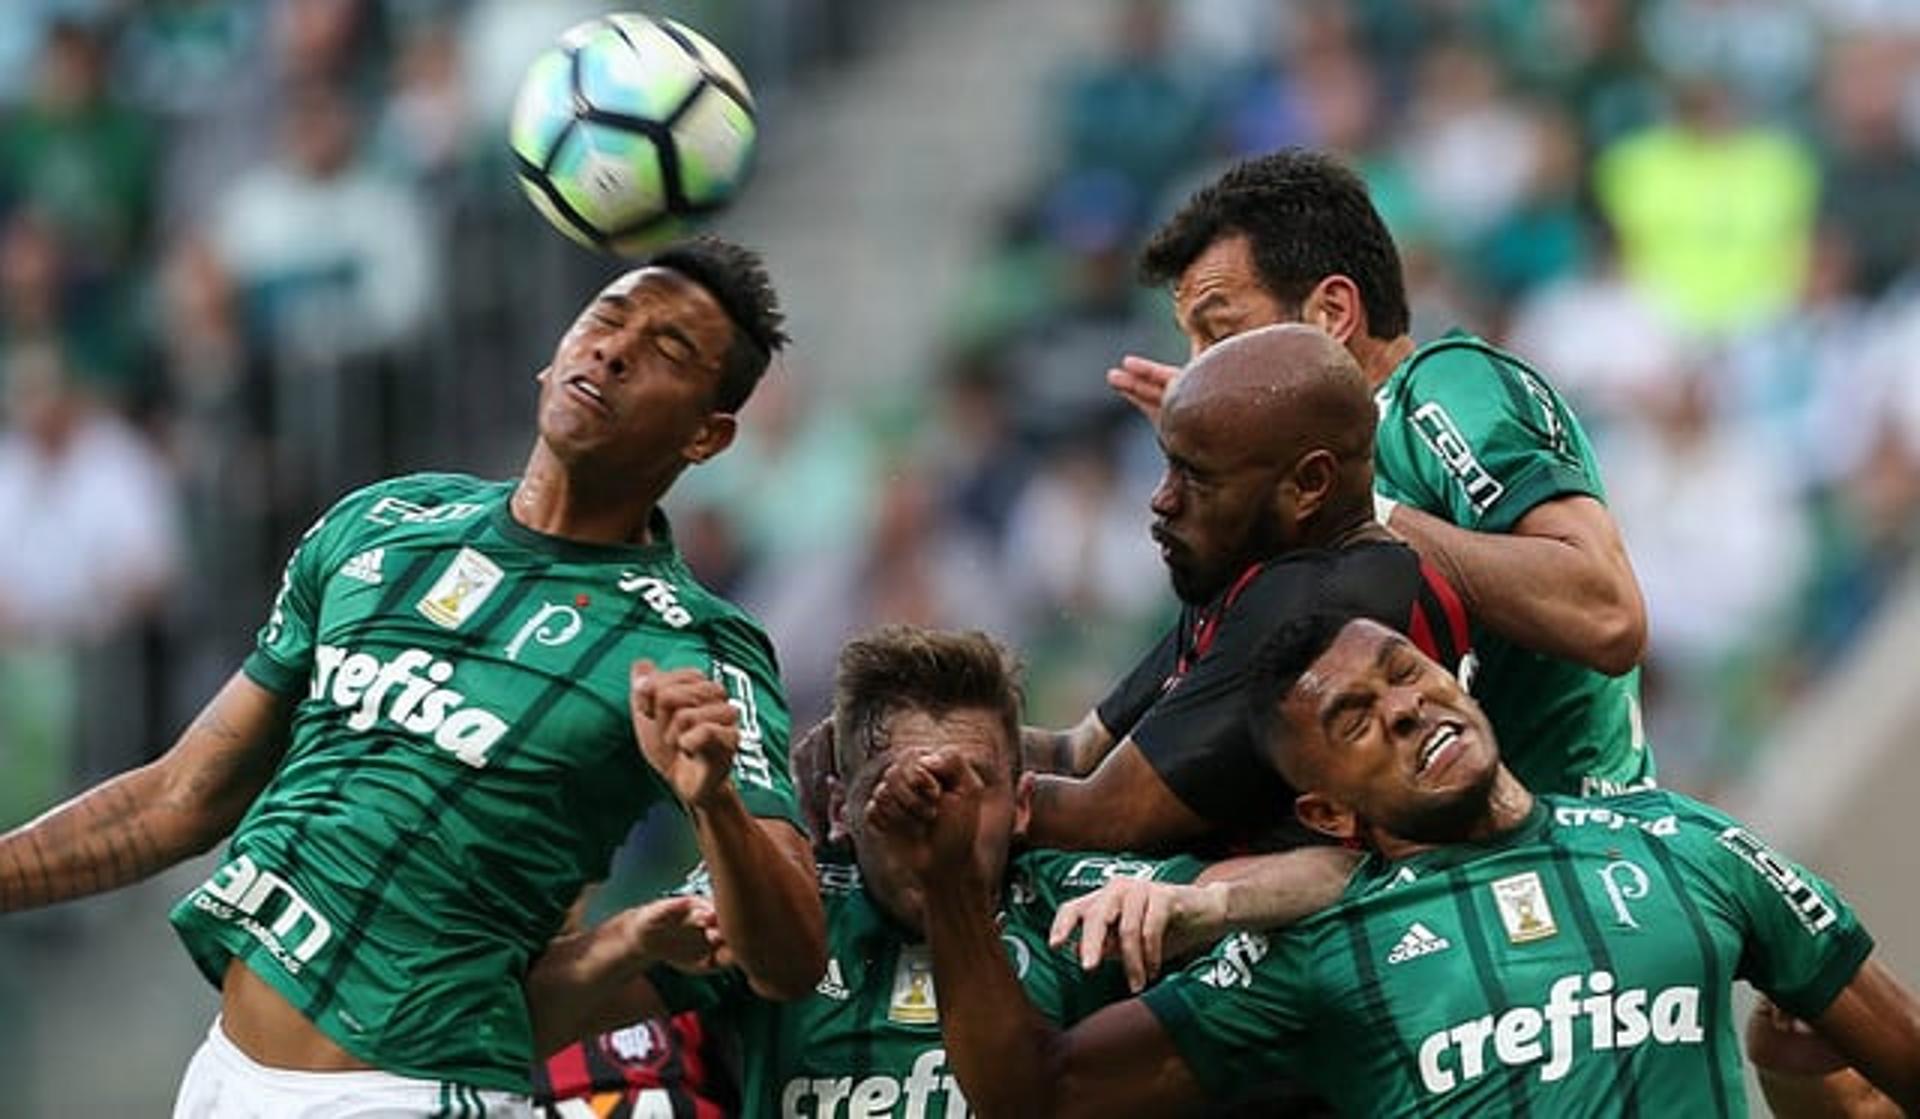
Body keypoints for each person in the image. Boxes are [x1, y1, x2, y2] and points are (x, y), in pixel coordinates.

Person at [0, 236, 827, 1115]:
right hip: (221, 1076)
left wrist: (714, 803)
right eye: (605, 319)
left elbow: (790, 956)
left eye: (665, 352)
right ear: (554, 355)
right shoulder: (384, 524)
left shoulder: (697, 642)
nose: (614, 350)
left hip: (413, 1087)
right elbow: (181, 797)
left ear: (708, 434)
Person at [873, 614, 1920, 1116]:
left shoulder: (1682, 842)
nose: (1407, 706)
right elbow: (1033, 1098)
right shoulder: (1315, 953)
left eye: (1404, 673)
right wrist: (961, 899)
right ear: (1325, 809)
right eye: (1356, 720)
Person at [546, 624, 1351, 1118]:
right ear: (836, 808)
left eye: (972, 783)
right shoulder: (785, 911)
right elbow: (526, 1019)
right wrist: (625, 936)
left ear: (1026, 804)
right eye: (899, 783)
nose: (939, 812)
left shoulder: (1077, 898)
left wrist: (1209, 906)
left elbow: (1338, 874)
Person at [1107, 148, 1652, 798]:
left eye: (1220, 336)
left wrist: (1363, 508)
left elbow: (1607, 615)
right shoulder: (1313, 482)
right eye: (1191, 345)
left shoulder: (1443, 392)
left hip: (1580, 849)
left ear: (1330, 315)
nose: (1199, 370)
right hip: (1437, 861)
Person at [1021, 322, 1470, 853]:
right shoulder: (1254, 563)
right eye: (1168, 466)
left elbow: (1103, 816)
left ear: (1309, 484)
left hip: (1350, 925)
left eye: (1198, 478)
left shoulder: (1316, 601)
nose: (1162, 500)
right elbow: (1080, 753)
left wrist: (935, 775)